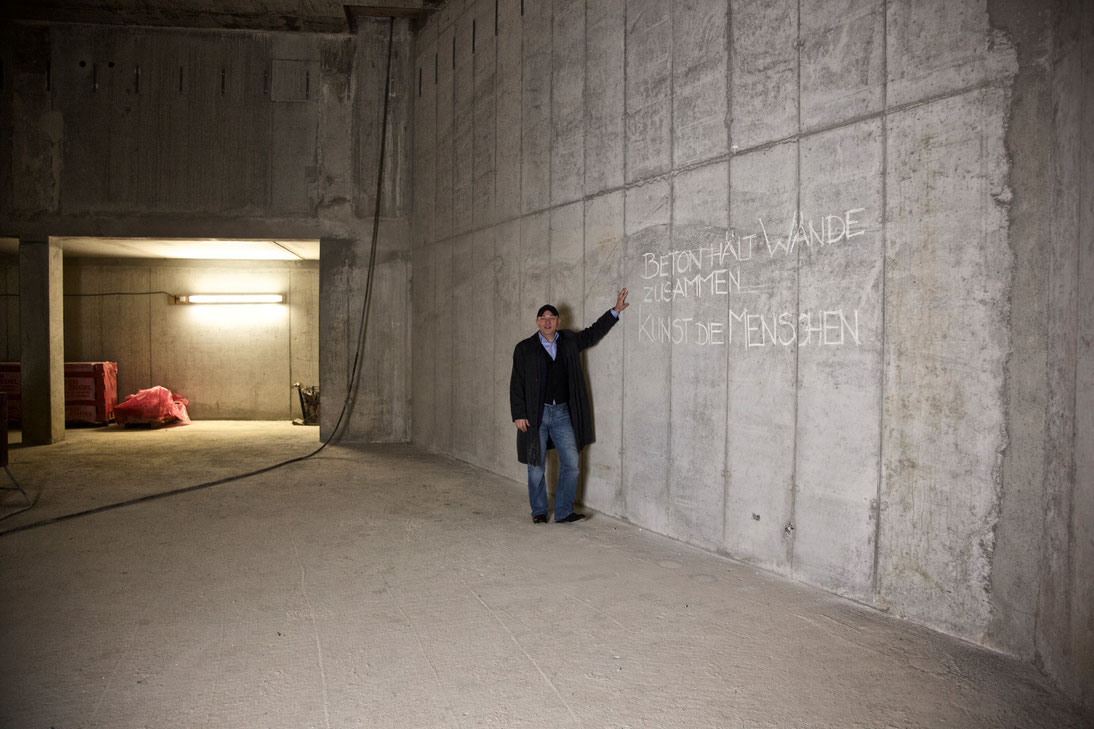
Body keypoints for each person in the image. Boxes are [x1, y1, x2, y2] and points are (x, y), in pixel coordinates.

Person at [510, 288, 629, 523]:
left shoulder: (570, 340)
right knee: (536, 466)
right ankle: (539, 511)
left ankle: (563, 511)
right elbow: (517, 382)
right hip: (535, 415)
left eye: (551, 318)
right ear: (537, 322)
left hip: (563, 413)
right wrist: (519, 413)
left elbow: (593, 333)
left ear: (558, 321)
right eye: (543, 318)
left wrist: (614, 311)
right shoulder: (524, 348)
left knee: (572, 463)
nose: (547, 322)